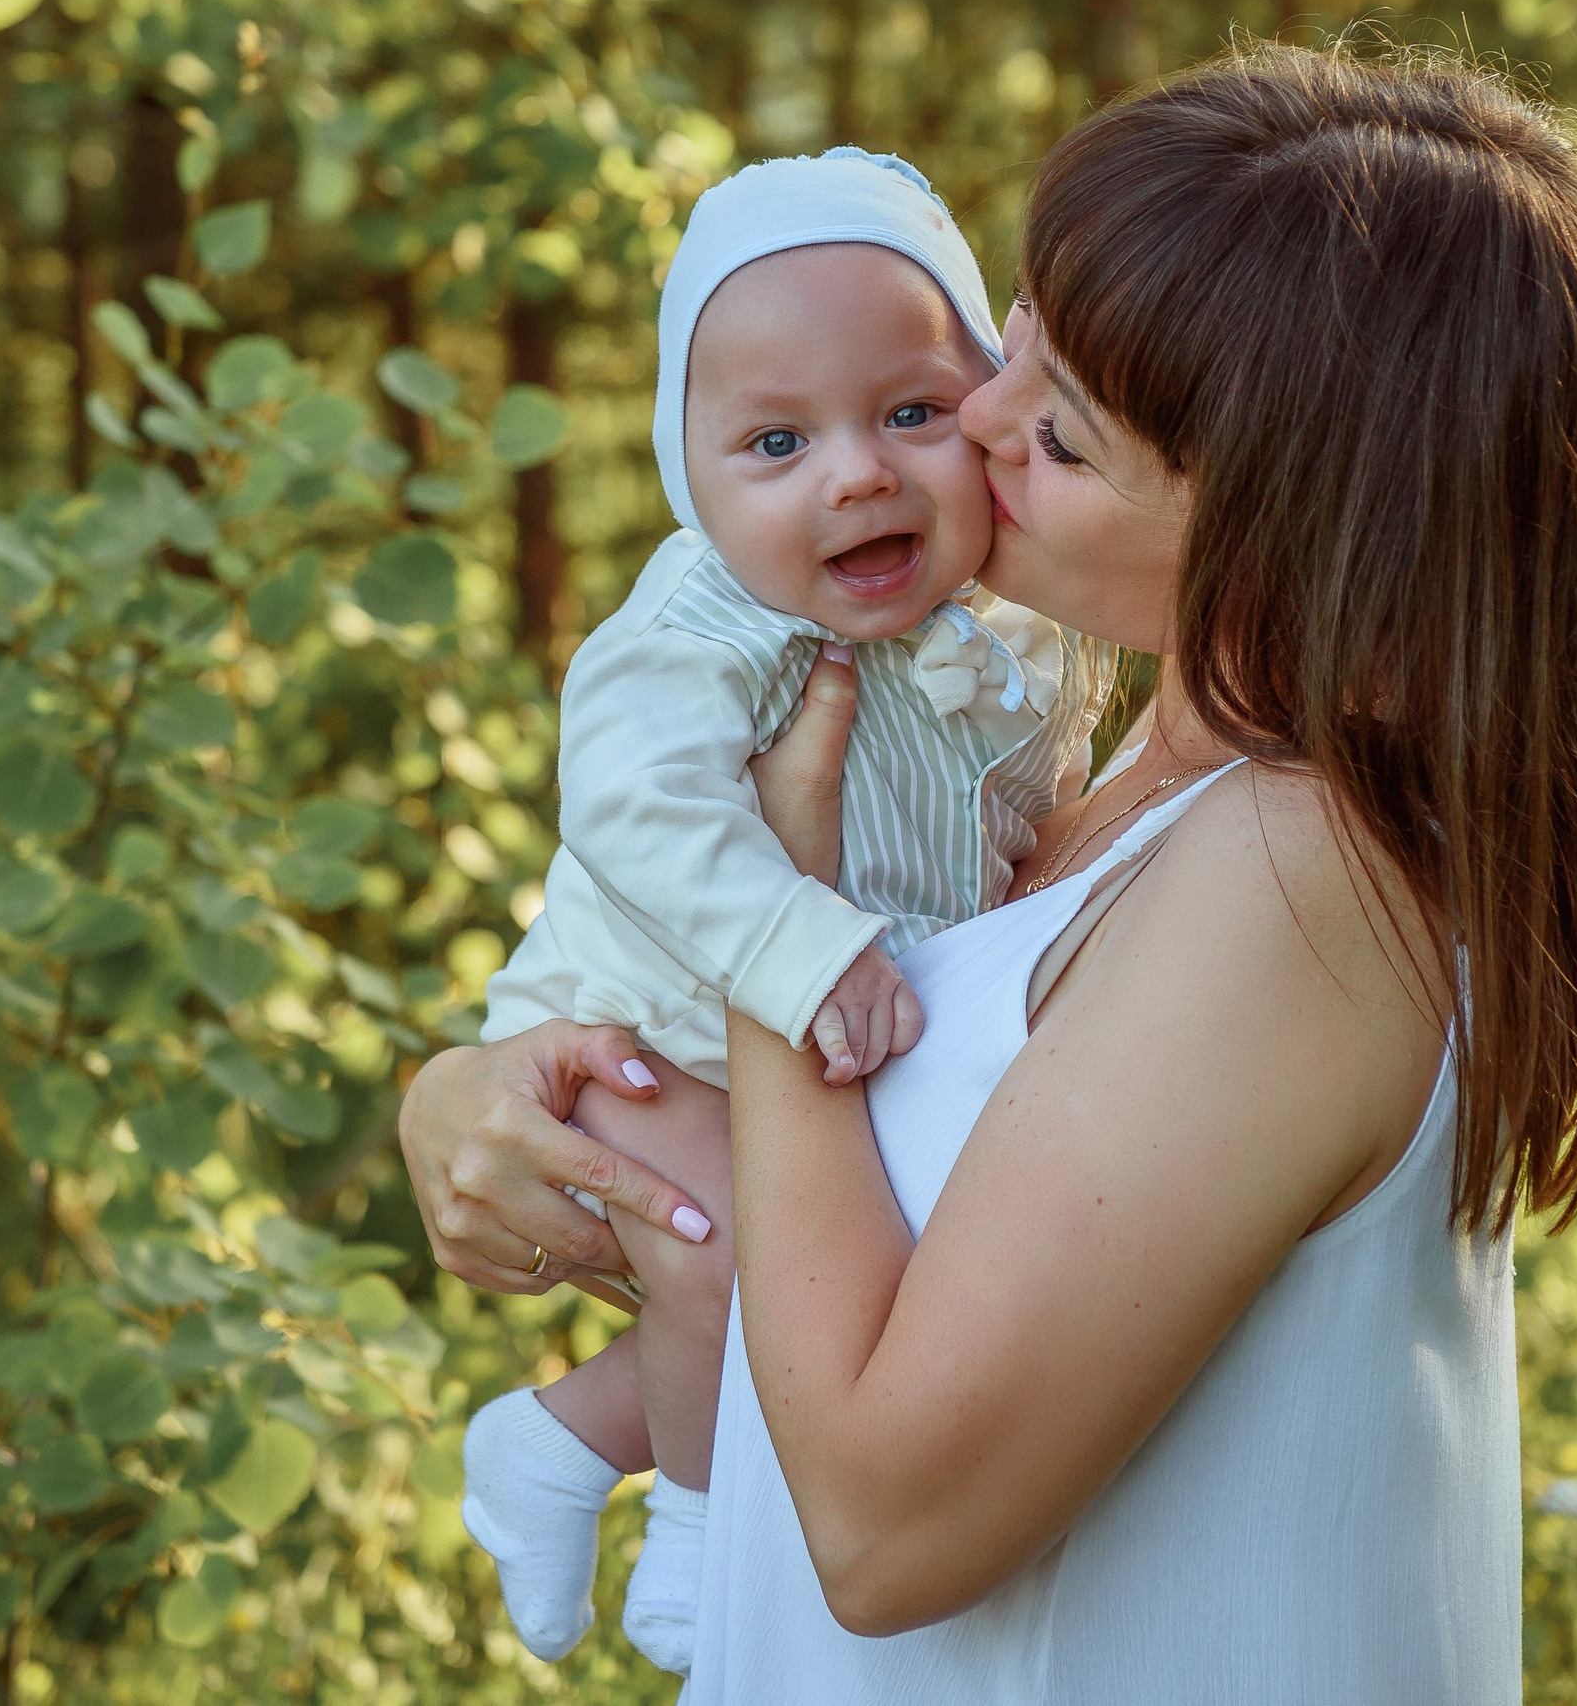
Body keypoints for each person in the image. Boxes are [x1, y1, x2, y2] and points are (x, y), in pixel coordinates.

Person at [403, 42, 1577, 1701]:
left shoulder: (1304, 874)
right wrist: (471, 1096)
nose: (977, 415)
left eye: (1069, 434)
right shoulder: (1116, 776)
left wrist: (776, 940)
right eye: (1016, 341)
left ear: (1296, 536)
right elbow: (838, 1229)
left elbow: (886, 1526)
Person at [457, 148, 1110, 1674]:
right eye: (775, 440)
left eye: (909, 413)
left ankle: (554, 1439)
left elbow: (1025, 798)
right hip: (647, 1027)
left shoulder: (1012, 616)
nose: (856, 474)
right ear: (691, 477)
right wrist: (803, 945)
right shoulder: (708, 623)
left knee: (850, 1285)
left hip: (831, 1028)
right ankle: (695, 1518)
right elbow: (638, 810)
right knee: (735, 1247)